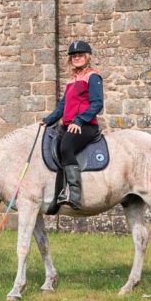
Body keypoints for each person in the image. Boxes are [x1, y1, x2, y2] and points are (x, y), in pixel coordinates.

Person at [40, 40, 104, 210]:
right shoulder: (71, 80)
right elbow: (63, 105)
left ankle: (74, 195)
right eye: (74, 56)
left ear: (87, 57)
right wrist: (48, 119)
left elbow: (97, 104)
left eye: (80, 55)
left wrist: (79, 120)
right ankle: (57, 197)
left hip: (86, 125)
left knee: (66, 147)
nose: (77, 58)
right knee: (57, 150)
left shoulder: (93, 77)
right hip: (69, 125)